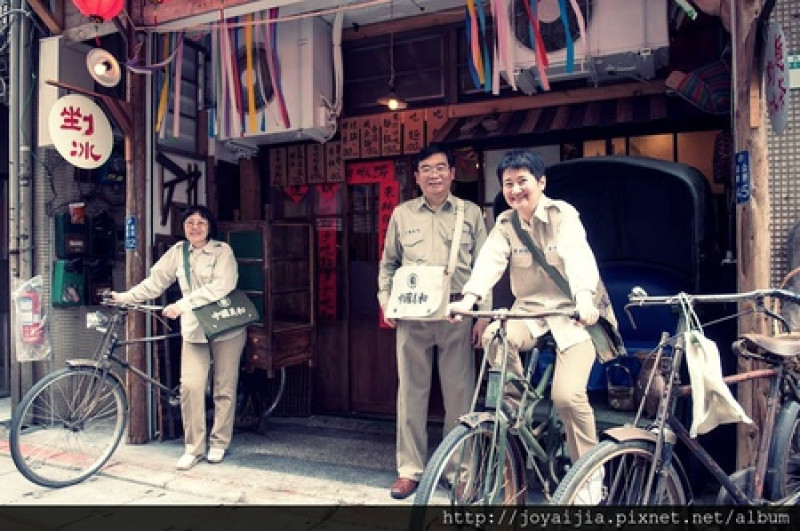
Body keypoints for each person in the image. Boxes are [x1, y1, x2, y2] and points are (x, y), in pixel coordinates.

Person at [447, 149, 602, 475]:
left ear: (541, 182)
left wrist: (585, 298)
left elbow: (577, 256)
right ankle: (517, 407)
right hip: (529, 313)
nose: (515, 190)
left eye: (522, 181)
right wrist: (469, 299)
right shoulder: (505, 223)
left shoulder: (563, 215)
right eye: (508, 183)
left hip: (572, 313)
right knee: (494, 335)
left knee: (567, 397)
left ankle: (588, 473)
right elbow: (490, 260)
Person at [377, 143, 491, 500]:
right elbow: (388, 264)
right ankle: (409, 470)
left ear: (453, 173)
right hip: (412, 313)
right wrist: (385, 301)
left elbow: (485, 268)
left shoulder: (470, 213)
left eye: (441, 167)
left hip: (456, 312)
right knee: (411, 394)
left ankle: (460, 471)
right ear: (416, 177)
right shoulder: (402, 214)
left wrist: (482, 316)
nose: (434, 174)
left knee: (459, 396)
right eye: (426, 168)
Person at [111, 205, 246, 471]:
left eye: (201, 223)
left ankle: (219, 442)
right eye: (190, 223)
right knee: (191, 387)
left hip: (226, 328)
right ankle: (194, 447)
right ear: (183, 227)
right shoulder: (177, 253)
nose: (195, 227)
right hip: (196, 329)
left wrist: (183, 305)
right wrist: (125, 297)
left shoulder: (222, 251)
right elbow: (155, 282)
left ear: (210, 227)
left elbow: (222, 285)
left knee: (223, 387)